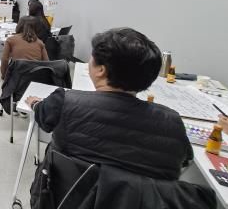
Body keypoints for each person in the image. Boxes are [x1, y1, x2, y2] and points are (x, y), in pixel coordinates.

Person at [27, 28, 193, 180]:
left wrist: (34, 102)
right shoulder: (172, 123)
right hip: (139, 203)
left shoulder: (64, 102)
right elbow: (184, 160)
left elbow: (43, 116)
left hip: (68, 197)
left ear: (101, 70)